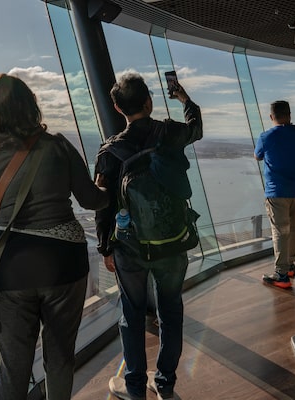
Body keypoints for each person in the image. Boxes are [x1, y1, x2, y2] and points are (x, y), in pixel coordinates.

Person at [0, 73, 108, 400]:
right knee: (59, 356)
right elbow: (91, 200)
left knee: (14, 364)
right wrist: (106, 189)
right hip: (65, 264)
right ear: (30, 106)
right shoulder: (58, 146)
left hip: (12, 271)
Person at [94, 72, 202, 400]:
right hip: (173, 241)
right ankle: (166, 381)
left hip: (130, 247)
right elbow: (196, 125)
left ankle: (135, 387)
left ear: (116, 107)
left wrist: (105, 248)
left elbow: (103, 205)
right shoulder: (169, 132)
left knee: (132, 311)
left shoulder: (110, 151)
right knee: (171, 309)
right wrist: (184, 98)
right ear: (149, 101)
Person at [254, 100, 295, 289]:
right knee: (294, 228)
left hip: (277, 191)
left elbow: (257, 156)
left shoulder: (266, 136)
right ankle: (290, 264)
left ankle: (281, 274)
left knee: (280, 231)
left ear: (271, 116)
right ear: (289, 114)